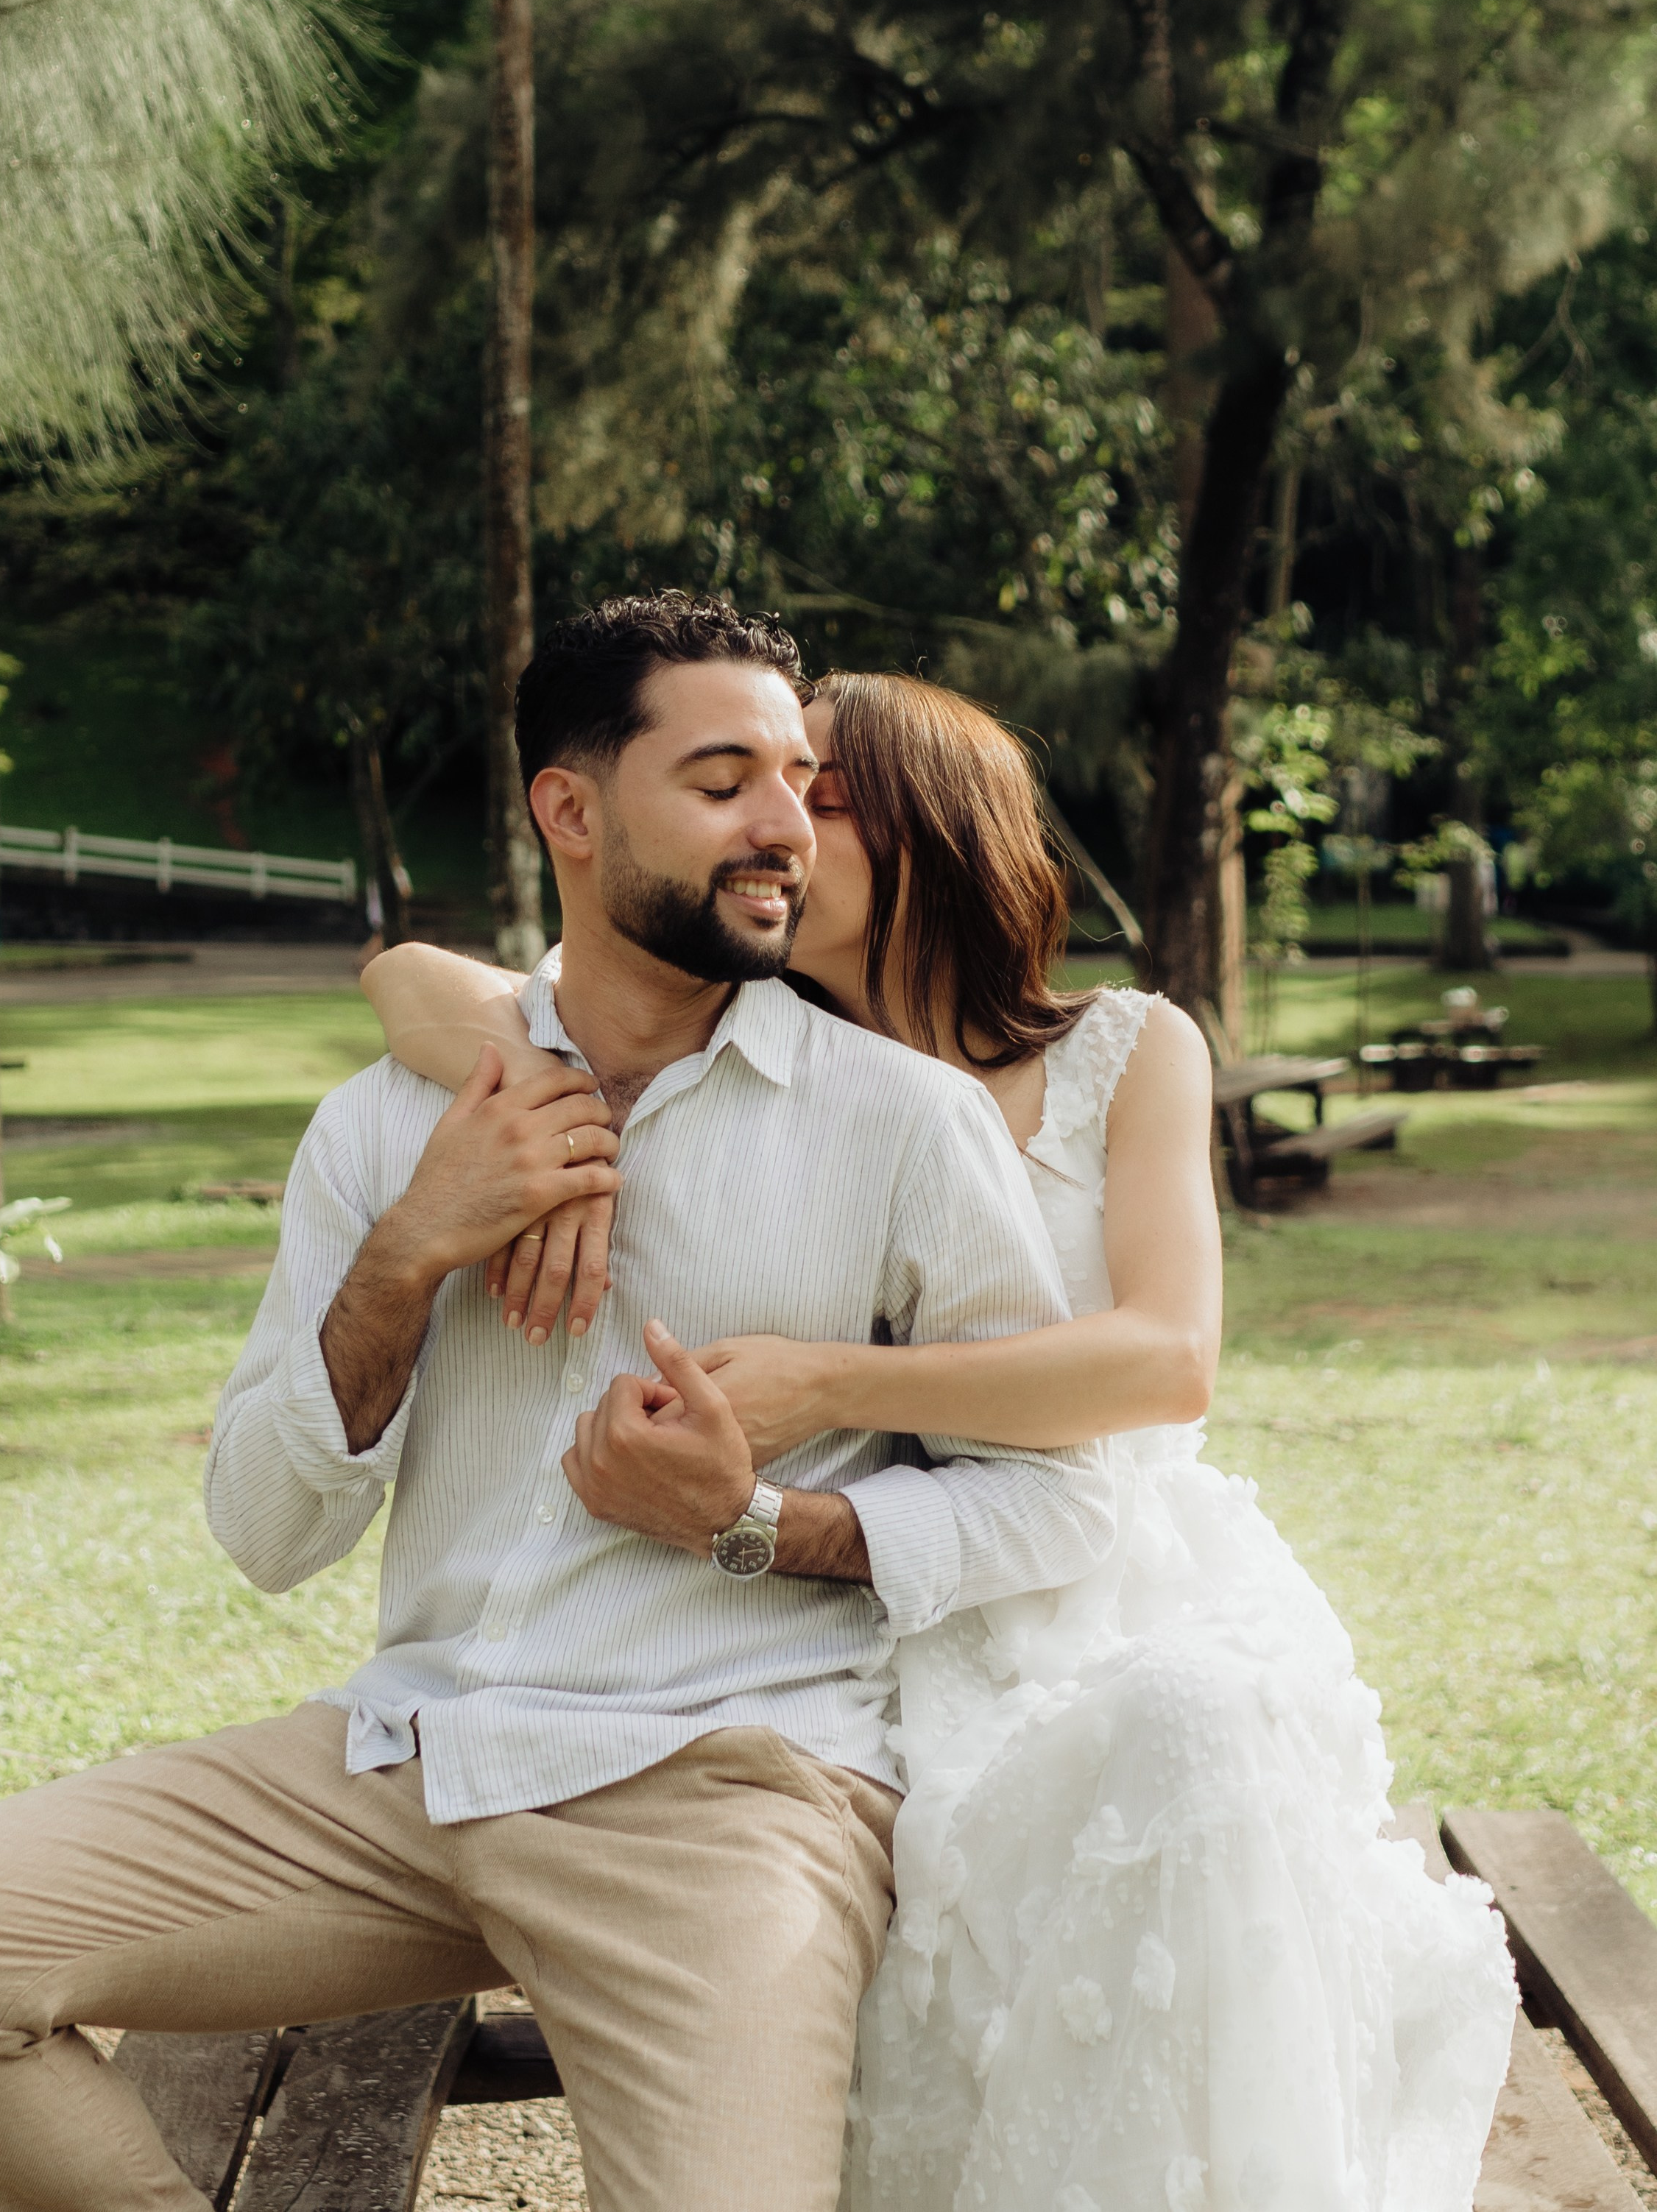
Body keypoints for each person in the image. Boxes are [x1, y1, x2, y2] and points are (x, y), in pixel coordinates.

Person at [0, 594, 1117, 2212]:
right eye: (723, 782)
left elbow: (1058, 1494)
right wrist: (411, 1249)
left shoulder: (902, 1124)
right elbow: (265, 1533)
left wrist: (757, 1522)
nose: (783, 826)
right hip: (406, 1762)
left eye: (797, 779)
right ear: (571, 808)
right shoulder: (389, 1122)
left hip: (724, 1788)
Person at [374, 666, 1518, 2212]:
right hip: (867, 1587)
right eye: (755, 789)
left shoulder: (1124, 1049)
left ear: (936, 828)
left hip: (1108, 1564)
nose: (777, 830)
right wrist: (551, 1085)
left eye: (823, 797)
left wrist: (831, 1383)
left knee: (1188, 1729)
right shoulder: (754, 1043)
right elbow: (405, 977)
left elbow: (1166, 1360)